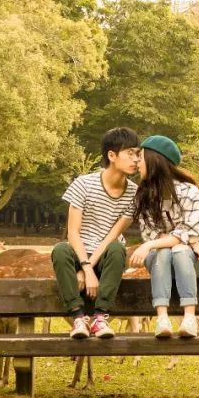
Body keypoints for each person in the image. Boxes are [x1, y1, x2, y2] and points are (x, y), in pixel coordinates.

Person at [51, 127, 141, 339]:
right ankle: (78, 319)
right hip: (79, 252)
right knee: (60, 250)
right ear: (112, 155)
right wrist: (84, 268)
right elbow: (73, 233)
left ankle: (100, 318)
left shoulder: (134, 193)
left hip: (107, 258)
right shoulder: (84, 183)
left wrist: (89, 268)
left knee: (118, 247)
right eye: (130, 153)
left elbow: (112, 235)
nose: (136, 159)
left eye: (138, 154)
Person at [129, 135, 199, 338]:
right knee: (166, 251)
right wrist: (163, 241)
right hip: (161, 261)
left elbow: (189, 233)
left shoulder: (190, 192)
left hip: (191, 261)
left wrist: (151, 245)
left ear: (154, 160)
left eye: (141, 158)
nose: (137, 163)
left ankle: (189, 318)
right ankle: (162, 319)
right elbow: (152, 233)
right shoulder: (144, 196)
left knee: (179, 250)